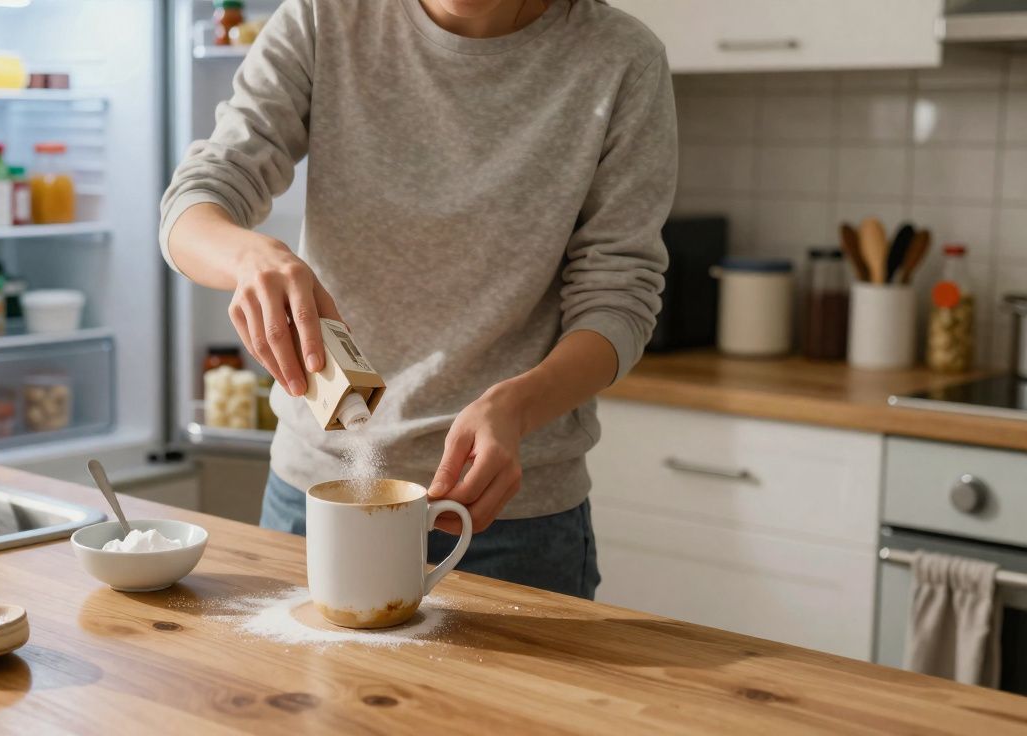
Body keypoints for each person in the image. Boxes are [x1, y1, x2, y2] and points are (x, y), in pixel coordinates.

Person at [160, 0, 675, 599]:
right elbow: (198, 198)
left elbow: (619, 297)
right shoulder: (325, 18)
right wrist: (251, 258)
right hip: (320, 496)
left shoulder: (619, 58)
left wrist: (520, 406)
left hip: (512, 516)